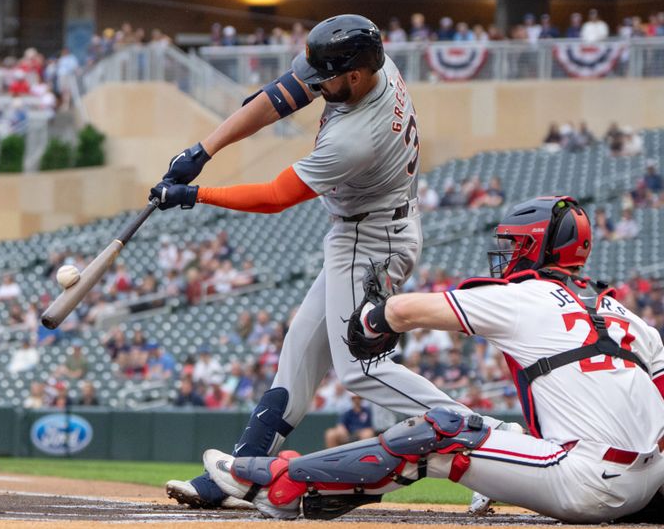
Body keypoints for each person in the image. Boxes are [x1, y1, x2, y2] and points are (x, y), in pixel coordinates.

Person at [155, 14, 509, 510]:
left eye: (327, 79)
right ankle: (240, 472)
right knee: (298, 353)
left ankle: (491, 440)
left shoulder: (356, 137)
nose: (317, 85)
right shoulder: (364, 69)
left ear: (356, 76)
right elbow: (280, 96)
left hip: (371, 236)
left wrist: (196, 192)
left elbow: (276, 196)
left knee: (361, 368)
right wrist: (204, 148)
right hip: (371, 227)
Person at [204, 196, 664, 524]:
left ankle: (283, 484)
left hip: (588, 484)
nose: (504, 255)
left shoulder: (524, 297)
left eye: (512, 244)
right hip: (647, 483)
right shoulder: (626, 316)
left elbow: (405, 310)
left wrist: (371, 318)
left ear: (532, 248)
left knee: (444, 431)